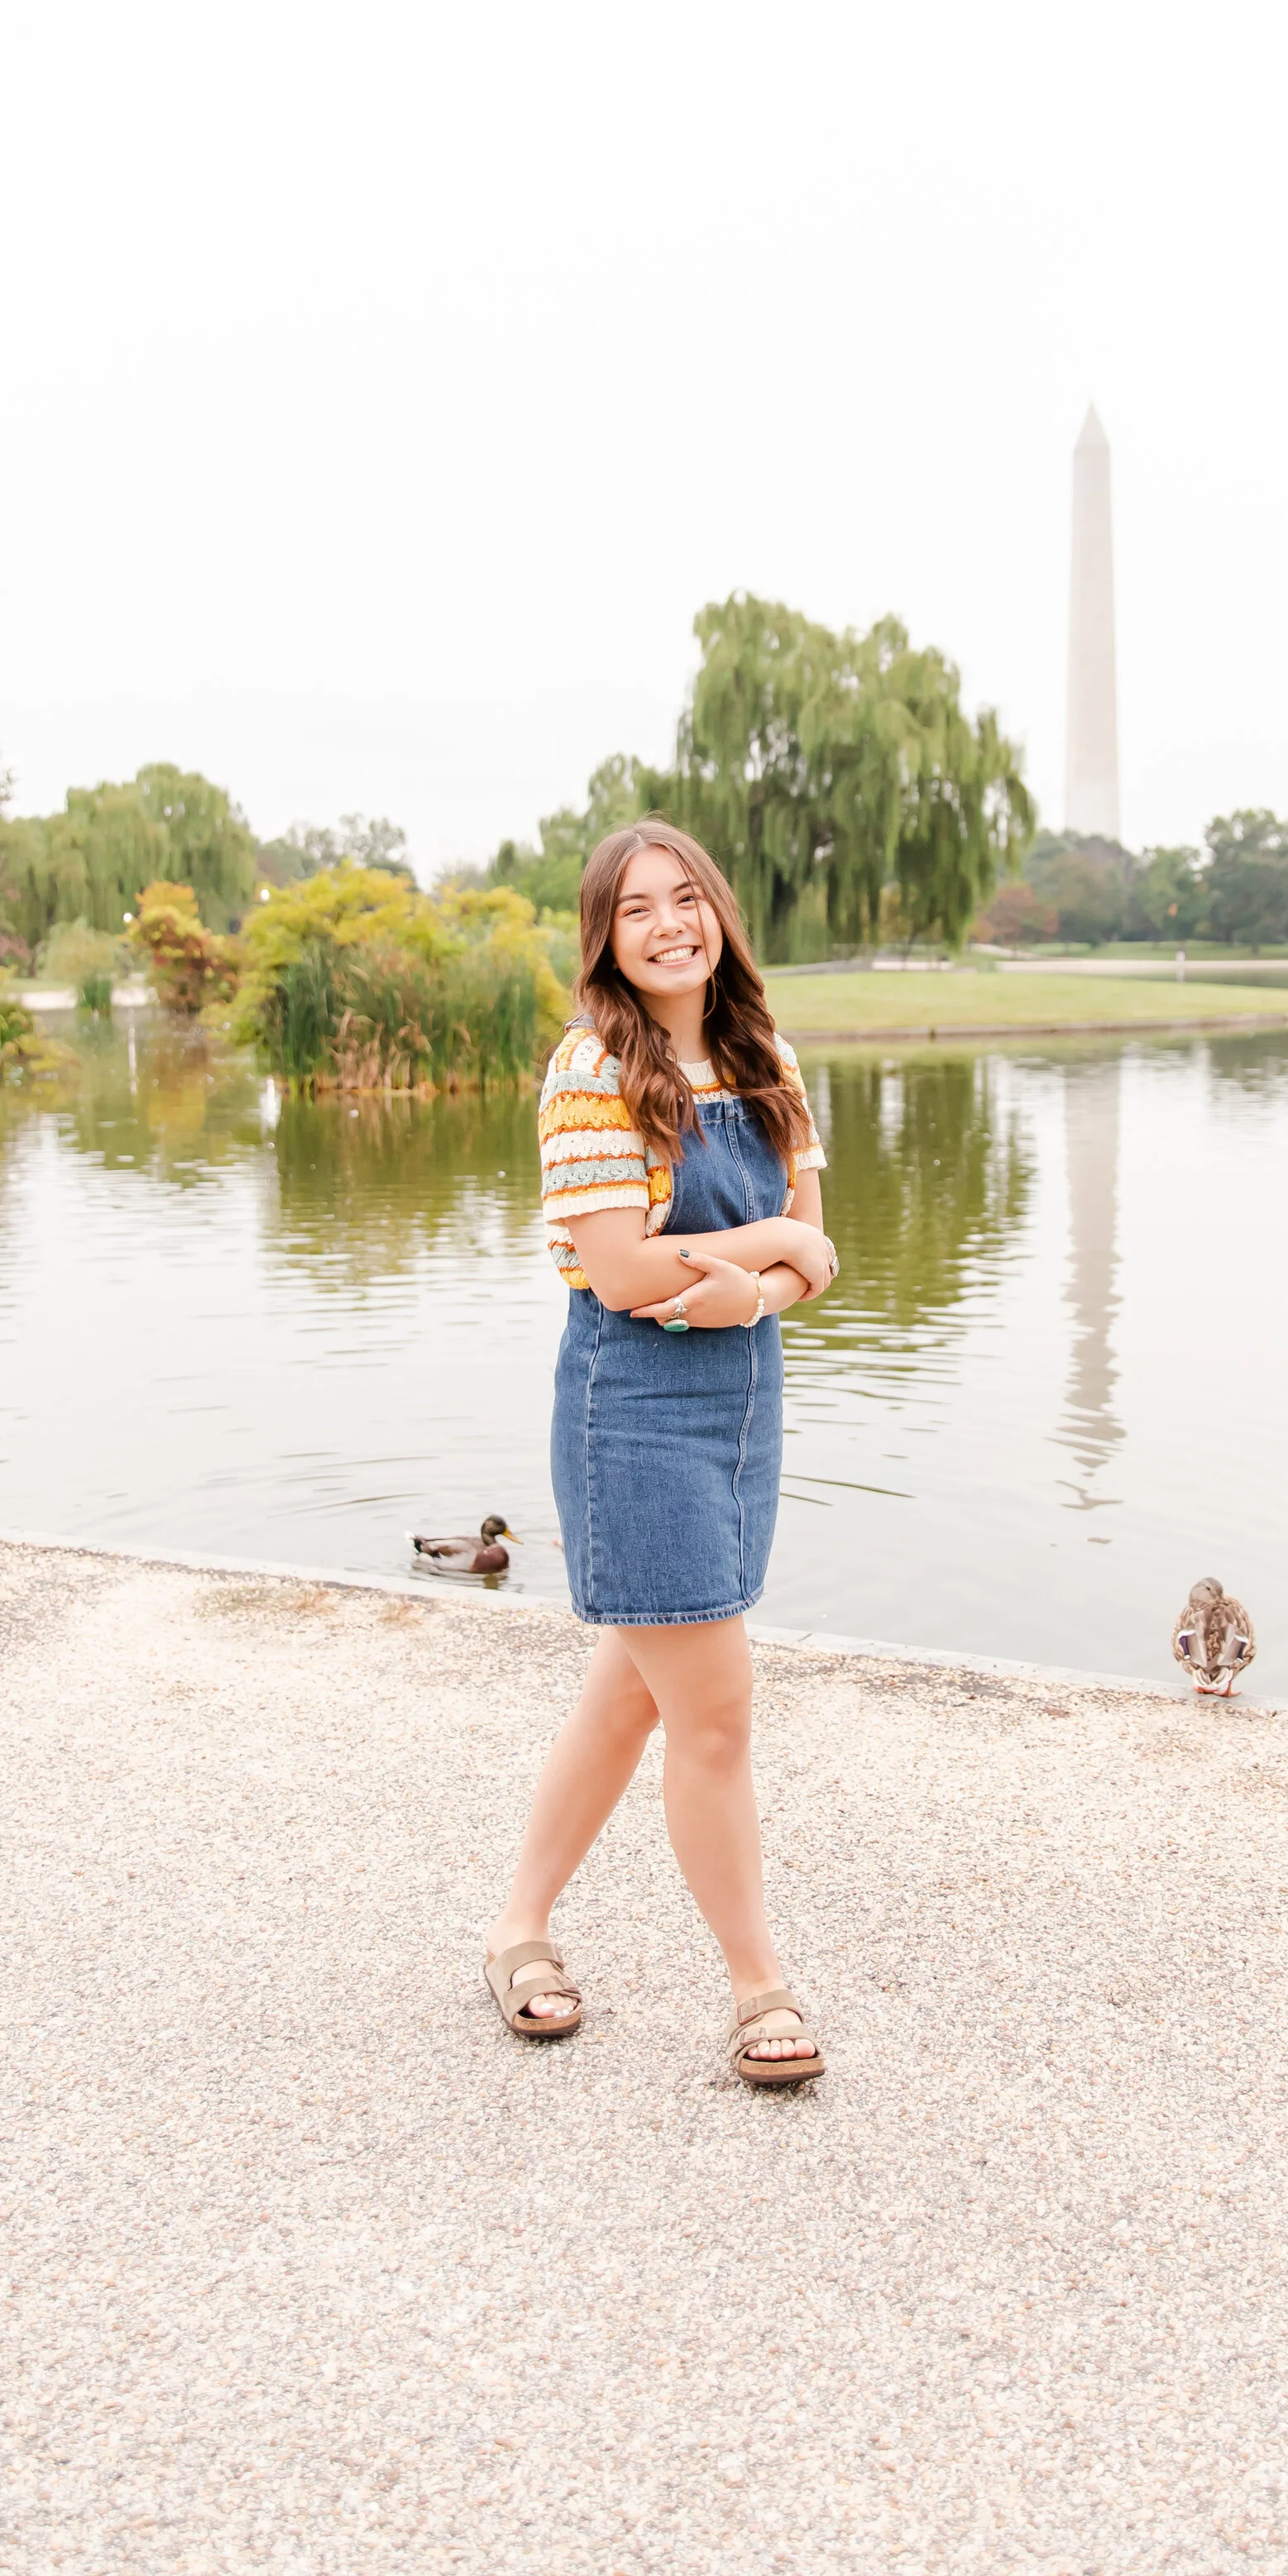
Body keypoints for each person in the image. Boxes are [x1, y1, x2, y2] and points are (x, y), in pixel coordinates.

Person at [483, 821, 838, 2086]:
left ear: (718, 914)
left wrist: (758, 1291)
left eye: (685, 899)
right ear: (606, 938)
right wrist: (771, 1258)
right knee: (717, 1714)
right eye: (636, 909)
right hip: (630, 1410)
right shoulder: (591, 1067)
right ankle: (758, 1987)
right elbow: (625, 1273)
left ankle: (518, 1929)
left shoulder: (768, 1059)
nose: (668, 925)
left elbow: (813, 1249)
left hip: (743, 1405)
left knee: (635, 1691)